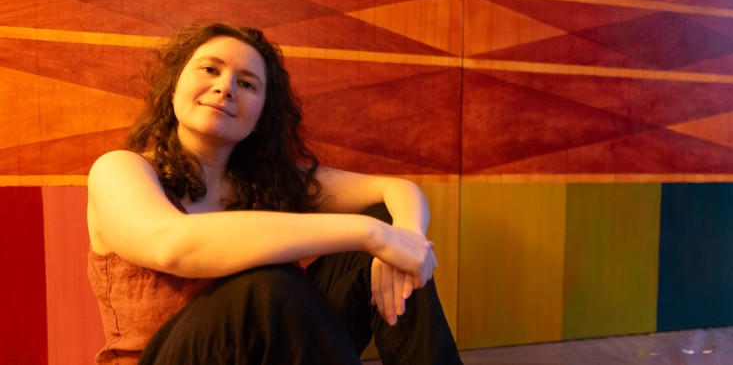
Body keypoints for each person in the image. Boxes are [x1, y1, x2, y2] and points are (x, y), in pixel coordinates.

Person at [86, 23, 462, 364]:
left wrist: (406, 236)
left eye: (247, 83)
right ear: (173, 88)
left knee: (381, 223)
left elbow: (394, 189)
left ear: (259, 118)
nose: (225, 87)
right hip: (173, 358)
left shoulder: (266, 181)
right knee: (267, 284)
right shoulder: (122, 169)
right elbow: (172, 245)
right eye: (210, 69)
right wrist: (373, 236)